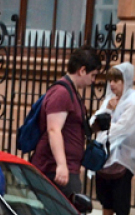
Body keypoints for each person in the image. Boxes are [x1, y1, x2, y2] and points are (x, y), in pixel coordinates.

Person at [31, 47, 101, 200]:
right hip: (54, 169)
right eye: (93, 75)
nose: (94, 81)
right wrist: (61, 165)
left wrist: (96, 127)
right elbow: (54, 129)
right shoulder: (62, 93)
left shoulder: (72, 92)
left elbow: (72, 128)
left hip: (66, 169)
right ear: (82, 70)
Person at [90, 61, 135, 215]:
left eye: (116, 80)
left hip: (122, 158)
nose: (112, 84)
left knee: (120, 201)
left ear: (125, 81)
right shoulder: (110, 99)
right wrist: (108, 109)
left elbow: (125, 128)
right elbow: (94, 122)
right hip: (105, 157)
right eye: (110, 80)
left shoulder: (134, 100)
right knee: (106, 200)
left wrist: (106, 124)